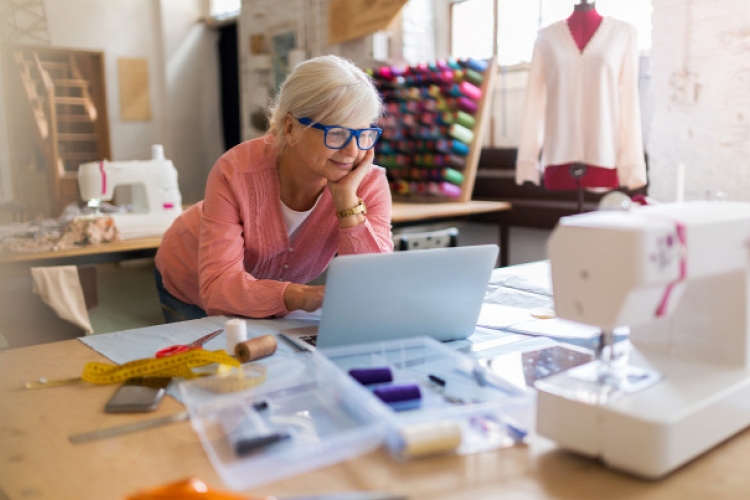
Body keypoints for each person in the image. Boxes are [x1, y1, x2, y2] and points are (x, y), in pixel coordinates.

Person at [154, 55, 393, 323]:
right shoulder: (236, 171)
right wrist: (299, 296)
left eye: (363, 134)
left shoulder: (367, 183)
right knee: (207, 361)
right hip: (190, 278)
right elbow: (219, 290)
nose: (352, 151)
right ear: (290, 128)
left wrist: (347, 200)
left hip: (270, 296)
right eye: (336, 133)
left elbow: (373, 284)